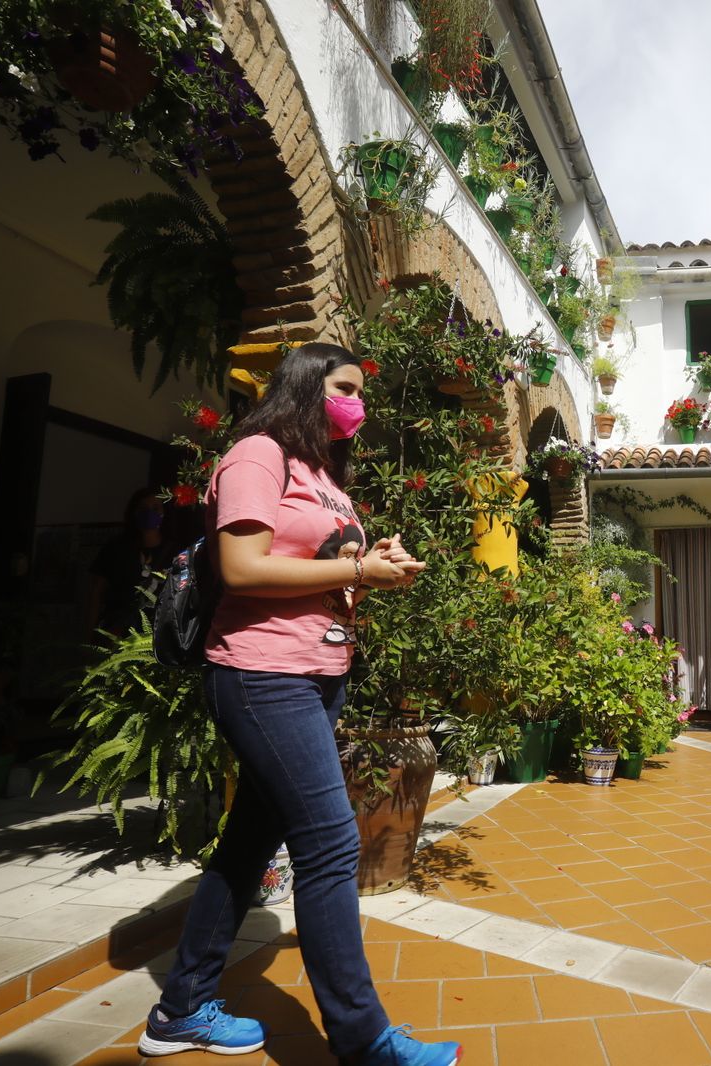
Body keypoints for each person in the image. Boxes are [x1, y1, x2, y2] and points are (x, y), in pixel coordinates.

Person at [137, 343, 455, 1066]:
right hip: (261, 673)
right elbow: (242, 568)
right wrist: (355, 567)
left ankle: (178, 1010)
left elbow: (323, 566)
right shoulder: (257, 453)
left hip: (317, 673)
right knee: (331, 840)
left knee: (249, 841)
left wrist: (375, 566)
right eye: (344, 387)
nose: (357, 404)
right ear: (307, 387)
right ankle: (364, 1039)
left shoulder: (323, 474)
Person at [87, 487, 172, 638]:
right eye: (143, 508)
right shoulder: (115, 548)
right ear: (134, 512)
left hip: (159, 636)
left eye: (155, 508)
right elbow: (95, 592)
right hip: (117, 634)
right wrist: (90, 633)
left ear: (165, 512)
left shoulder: (174, 551)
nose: (149, 513)